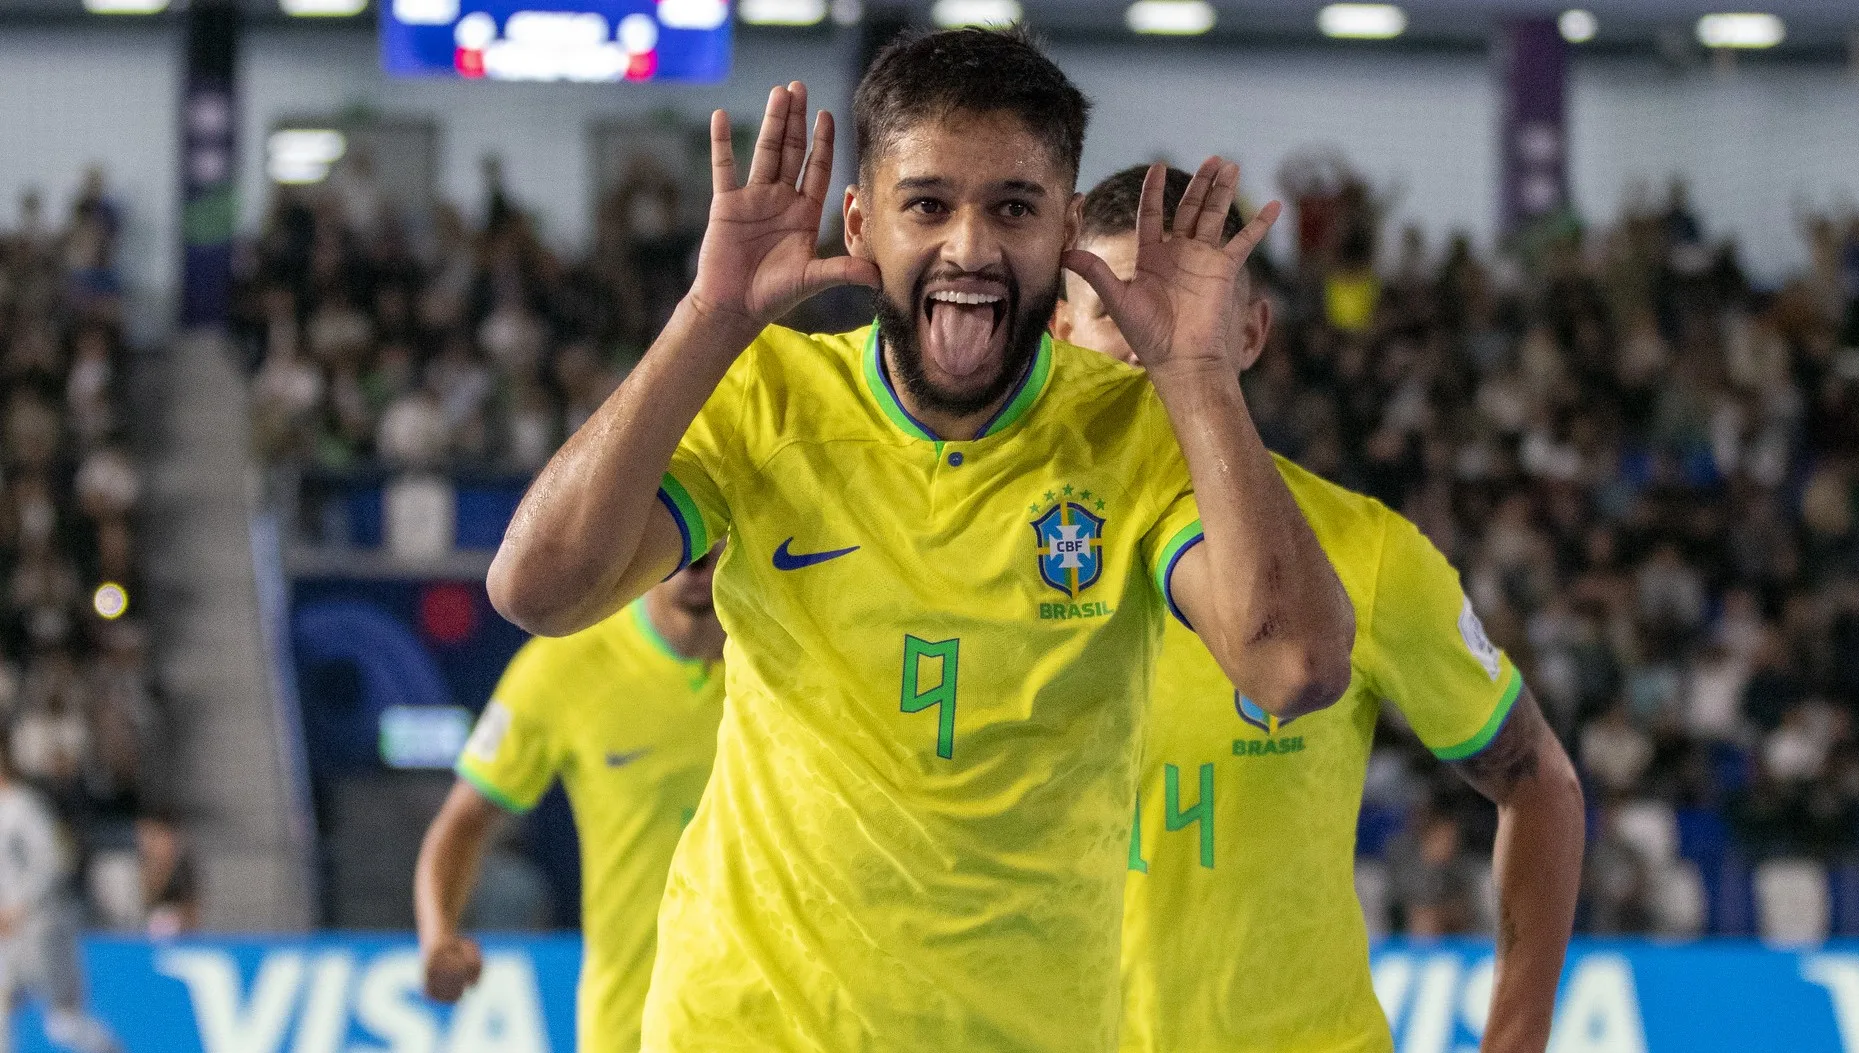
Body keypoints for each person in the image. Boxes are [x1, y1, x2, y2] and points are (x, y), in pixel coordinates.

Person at [486, 28, 1355, 1052]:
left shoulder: (1134, 430)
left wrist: (1200, 377)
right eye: (928, 204)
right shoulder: (766, 396)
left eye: (1015, 209)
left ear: (1067, 228)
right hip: (743, 1025)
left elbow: (1294, 667)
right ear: (860, 222)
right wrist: (709, 315)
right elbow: (537, 590)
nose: (971, 247)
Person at [1053, 164, 1585, 1053]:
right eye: (1115, 311)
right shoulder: (975, 536)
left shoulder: (1361, 555)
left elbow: (1540, 786)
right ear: (1058, 330)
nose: (1154, 342)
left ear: (1251, 333)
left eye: (1186, 311)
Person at [414, 552, 724, 1052]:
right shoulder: (566, 663)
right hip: (633, 1023)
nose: (699, 562)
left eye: (717, 540)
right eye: (690, 543)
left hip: (784, 1016)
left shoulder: (796, 656)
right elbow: (463, 821)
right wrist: (437, 937)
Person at [0, 731, 120, 1053]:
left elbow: (54, 860)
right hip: (8, 934)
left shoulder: (24, 808)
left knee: (62, 1022)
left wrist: (20, 906)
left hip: (40, 927)